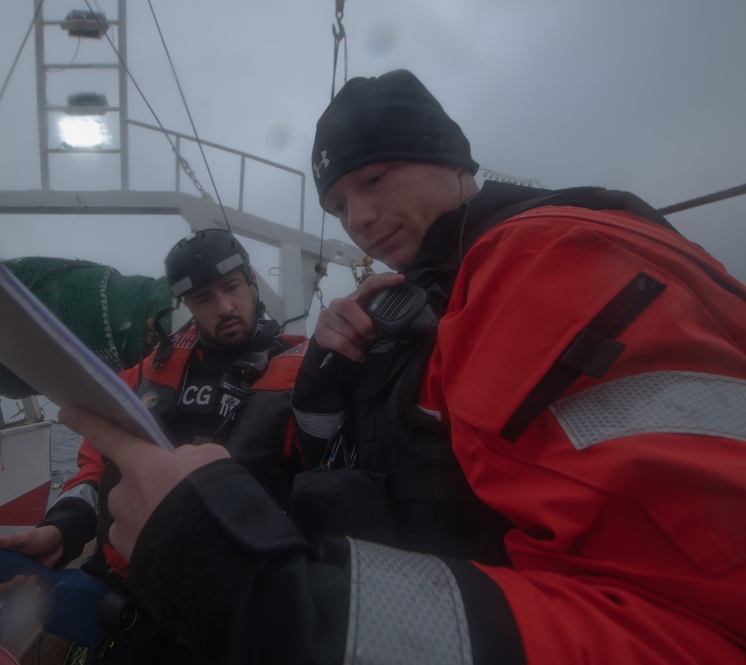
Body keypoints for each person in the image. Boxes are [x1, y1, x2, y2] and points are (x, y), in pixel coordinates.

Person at [56, 68, 746, 665]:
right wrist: (335, 374)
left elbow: (703, 623)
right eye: (337, 203)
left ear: (451, 159)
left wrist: (261, 594)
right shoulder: (441, 297)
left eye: (375, 178)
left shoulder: (548, 266)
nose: (358, 217)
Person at [0, 228, 316, 659]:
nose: (224, 307)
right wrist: (61, 528)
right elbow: (95, 468)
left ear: (251, 280)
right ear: (187, 306)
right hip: (126, 604)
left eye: (231, 288)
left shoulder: (307, 377)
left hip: (235, 610)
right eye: (203, 299)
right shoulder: (143, 376)